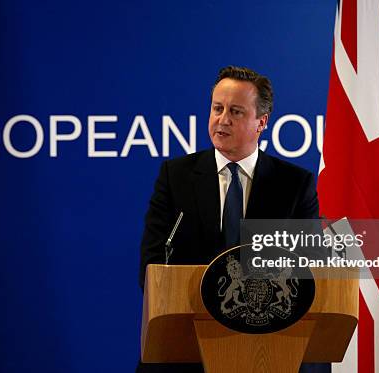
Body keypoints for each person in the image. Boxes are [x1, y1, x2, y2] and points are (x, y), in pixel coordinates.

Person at [137, 66, 327, 373]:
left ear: (261, 122)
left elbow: (307, 270)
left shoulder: (294, 185)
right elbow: (152, 262)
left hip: (272, 346)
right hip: (188, 347)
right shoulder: (177, 177)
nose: (222, 119)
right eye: (217, 108)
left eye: (236, 112)